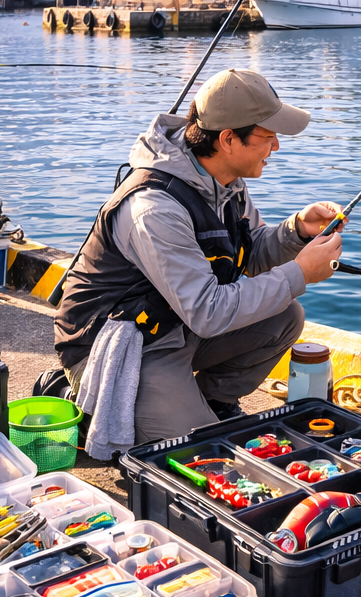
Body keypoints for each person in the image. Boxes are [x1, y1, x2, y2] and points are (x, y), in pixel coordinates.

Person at [54, 68, 344, 445]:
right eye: (268, 137)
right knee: (199, 450)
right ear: (227, 139)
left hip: (176, 324)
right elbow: (208, 311)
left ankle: (214, 399)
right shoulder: (155, 207)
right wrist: (299, 273)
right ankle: (79, 394)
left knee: (286, 315)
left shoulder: (224, 180)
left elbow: (247, 253)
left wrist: (295, 231)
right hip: (124, 344)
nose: (276, 147)